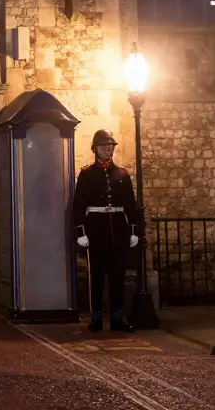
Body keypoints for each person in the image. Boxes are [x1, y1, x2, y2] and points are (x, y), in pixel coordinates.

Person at [73, 129, 142, 333]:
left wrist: (133, 230)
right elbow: (79, 205)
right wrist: (81, 233)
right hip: (96, 232)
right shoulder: (86, 174)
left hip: (118, 232)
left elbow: (130, 205)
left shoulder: (122, 174)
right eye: (103, 146)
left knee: (117, 277)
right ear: (95, 149)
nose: (107, 150)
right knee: (96, 278)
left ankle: (117, 317)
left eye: (110, 146)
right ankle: (95, 317)